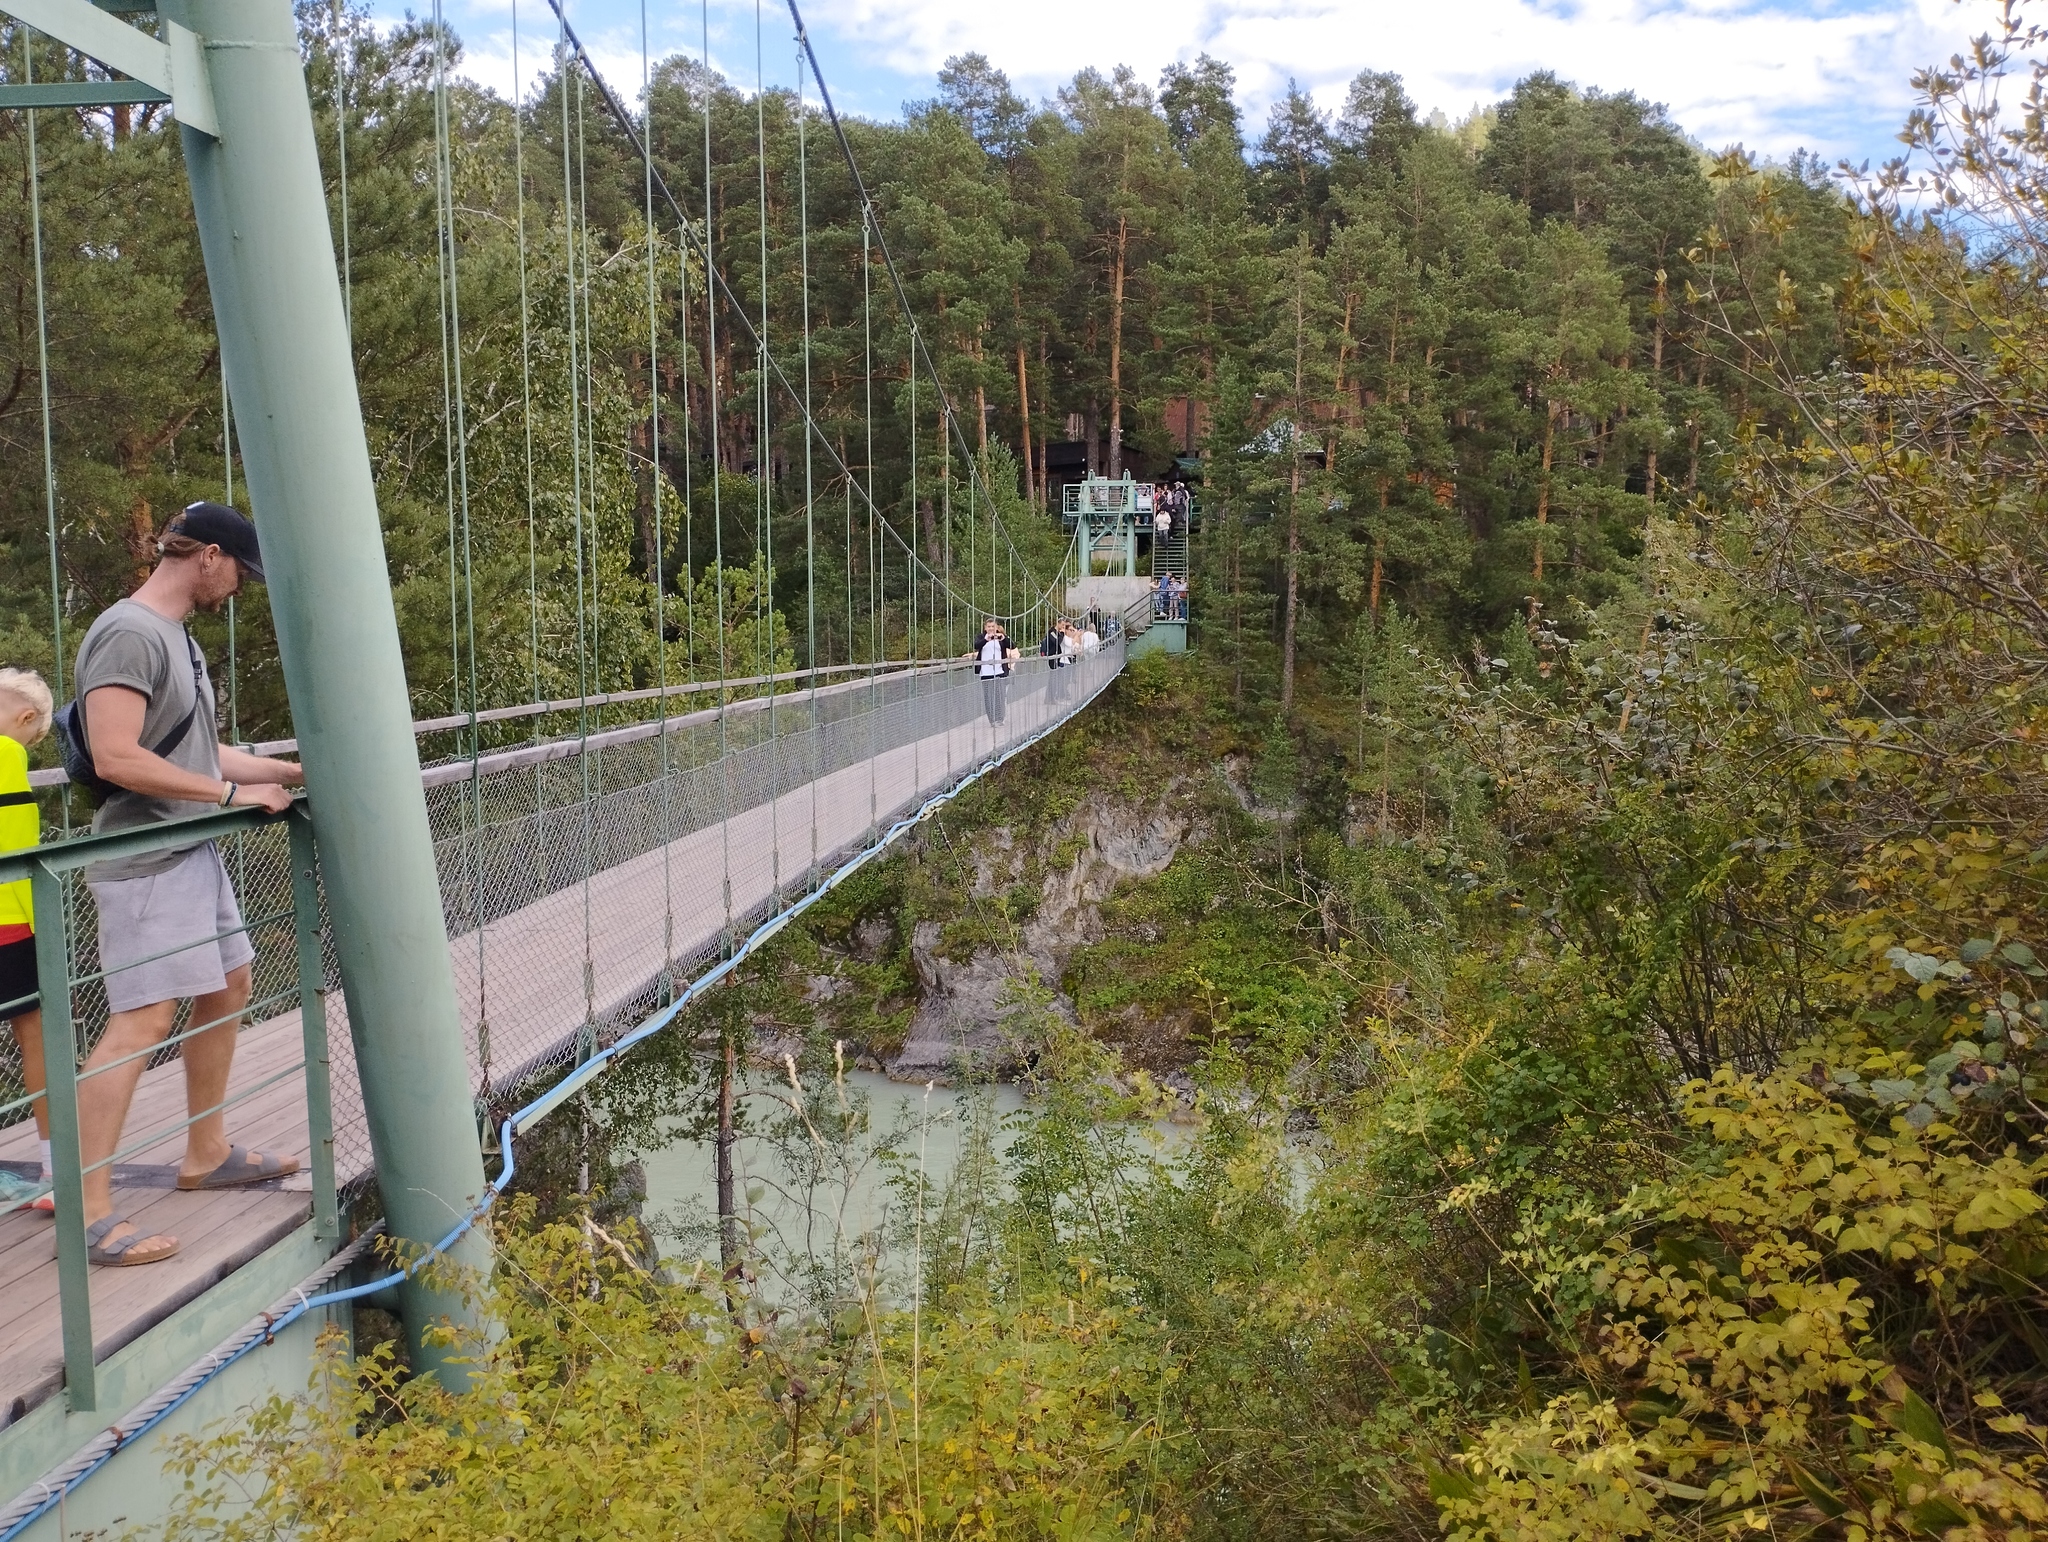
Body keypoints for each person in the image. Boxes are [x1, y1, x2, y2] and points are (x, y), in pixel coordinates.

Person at [70, 503, 305, 1267]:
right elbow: (115, 756)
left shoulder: (176, 640)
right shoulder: (129, 633)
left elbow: (202, 753)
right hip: (146, 859)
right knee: (139, 1020)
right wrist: (235, 799)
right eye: (239, 570)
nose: (239, 587)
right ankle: (89, 1213)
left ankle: (205, 1150)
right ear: (207, 556)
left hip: (190, 847)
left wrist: (289, 771)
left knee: (230, 982)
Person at [0, 668, 53, 1213]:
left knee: (34, 1034)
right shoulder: (13, 761)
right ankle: (54, 1169)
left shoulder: (4, 752)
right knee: (34, 1034)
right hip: (17, 919)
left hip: (5, 920)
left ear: (24, 717)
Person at [973, 617, 1015, 727]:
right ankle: (992, 720)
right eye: (989, 627)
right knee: (989, 697)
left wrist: (1003, 638)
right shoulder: (982, 637)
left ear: (996, 627)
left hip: (999, 671)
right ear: (985, 628)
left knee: (1000, 696)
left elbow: (1012, 645)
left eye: (993, 626)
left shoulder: (1000, 637)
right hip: (986, 673)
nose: (991, 629)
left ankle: (1000, 719)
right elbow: (976, 646)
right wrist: (986, 639)